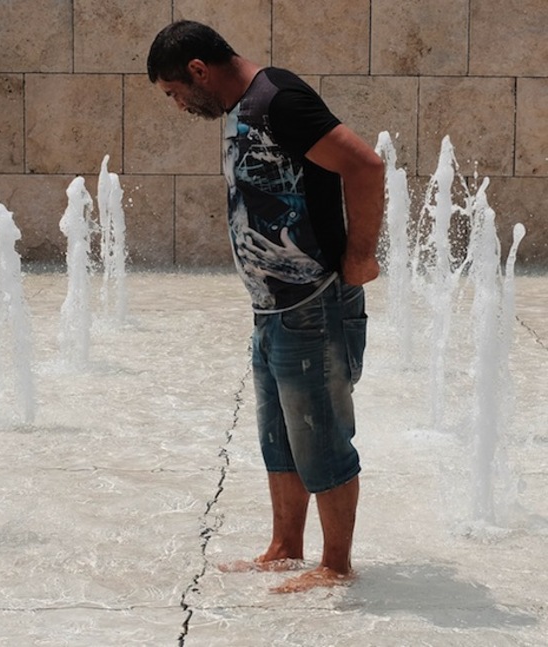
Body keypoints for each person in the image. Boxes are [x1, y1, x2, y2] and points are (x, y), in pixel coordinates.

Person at [147, 20, 385, 593]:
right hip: (272, 307)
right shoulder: (242, 108)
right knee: (280, 436)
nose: (179, 105)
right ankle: (284, 548)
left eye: (176, 92)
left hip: (315, 301)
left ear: (199, 71)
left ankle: (336, 565)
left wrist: (360, 256)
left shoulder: (279, 100)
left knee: (321, 434)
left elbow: (366, 165)